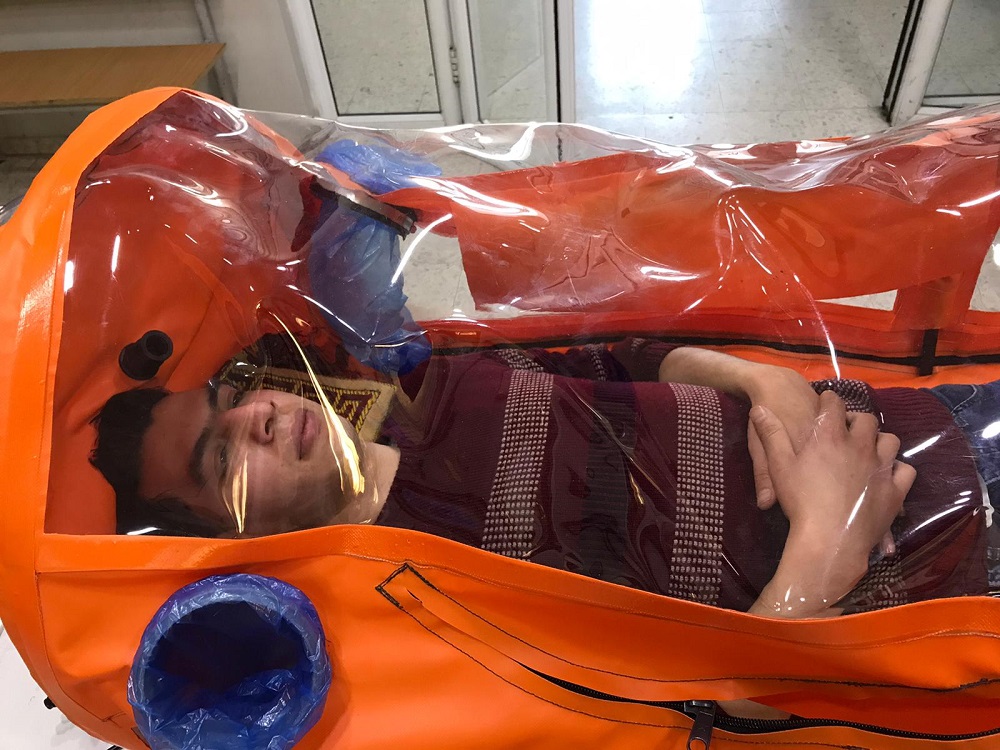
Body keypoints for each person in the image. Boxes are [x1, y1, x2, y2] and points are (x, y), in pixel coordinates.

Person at [91, 338, 997, 619]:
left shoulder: (433, 384)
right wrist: (826, 545)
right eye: (220, 457)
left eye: (228, 398)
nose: (254, 413)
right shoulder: (416, 601)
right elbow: (686, 713)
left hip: (924, 419)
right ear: (229, 544)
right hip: (944, 580)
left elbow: (634, 359)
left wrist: (762, 384)